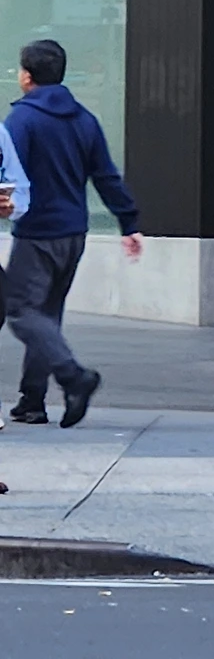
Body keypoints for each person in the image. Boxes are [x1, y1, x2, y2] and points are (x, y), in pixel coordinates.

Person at [4, 40, 143, 428]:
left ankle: (73, 377)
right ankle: (32, 401)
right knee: (46, 314)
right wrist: (129, 223)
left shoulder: (22, 120)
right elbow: (106, 176)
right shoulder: (84, 119)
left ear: (26, 76)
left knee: (20, 310)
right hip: (74, 233)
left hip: (37, 233)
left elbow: (6, 176)